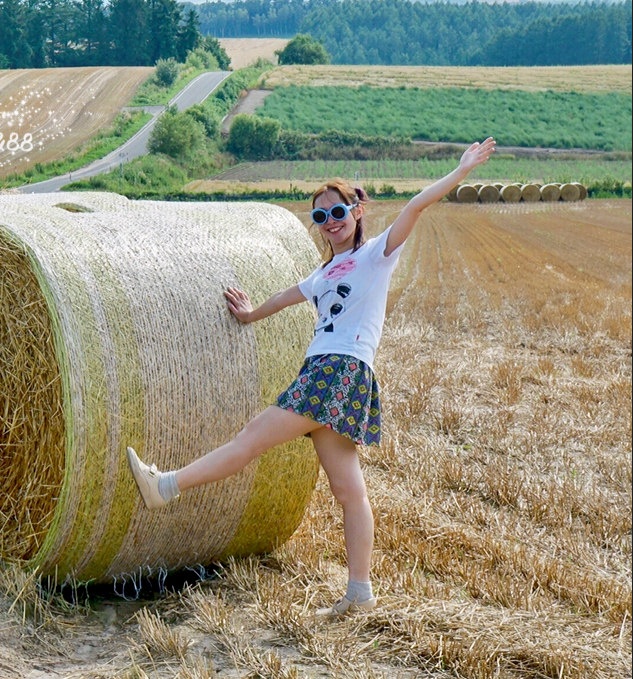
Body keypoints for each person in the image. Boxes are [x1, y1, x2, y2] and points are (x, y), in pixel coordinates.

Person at [127, 137, 497, 616]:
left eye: (337, 211)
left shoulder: (376, 255)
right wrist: (249, 314)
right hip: (334, 374)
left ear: (356, 211)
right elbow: (285, 298)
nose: (330, 222)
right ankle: (360, 594)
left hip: (338, 369)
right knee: (349, 491)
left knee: (250, 439)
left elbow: (417, 206)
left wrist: (461, 170)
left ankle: (166, 487)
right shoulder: (327, 271)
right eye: (320, 217)